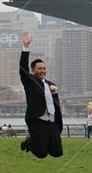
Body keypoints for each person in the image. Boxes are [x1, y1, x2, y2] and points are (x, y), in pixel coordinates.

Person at [18, 31, 63, 159]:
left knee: (57, 153)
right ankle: (30, 142)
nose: (42, 71)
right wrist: (26, 47)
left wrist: (58, 120)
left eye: (44, 68)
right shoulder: (30, 82)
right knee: (41, 154)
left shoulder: (51, 84)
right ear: (33, 70)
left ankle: (42, 141)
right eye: (39, 69)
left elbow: (56, 104)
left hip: (52, 121)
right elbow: (22, 69)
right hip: (37, 120)